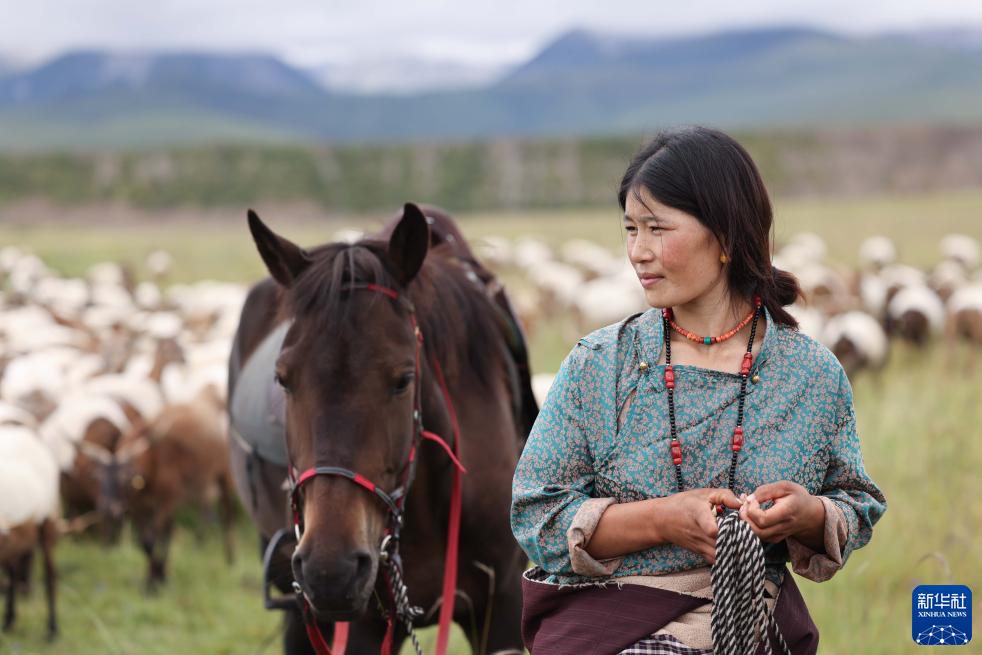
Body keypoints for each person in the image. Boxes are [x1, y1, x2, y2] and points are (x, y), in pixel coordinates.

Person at [510, 126, 887, 655]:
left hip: (751, 627)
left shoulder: (811, 376)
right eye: (630, 229)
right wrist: (662, 519)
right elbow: (536, 515)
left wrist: (809, 515)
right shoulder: (599, 366)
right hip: (613, 628)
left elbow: (854, 502)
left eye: (657, 229)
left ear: (727, 237)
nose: (638, 252)